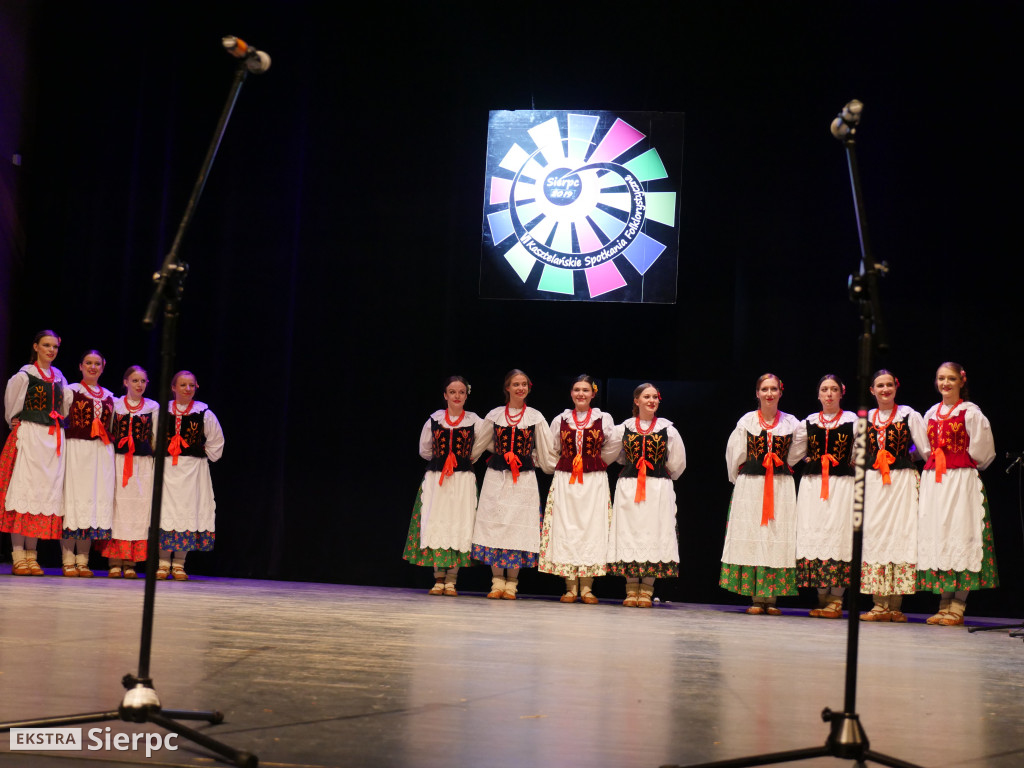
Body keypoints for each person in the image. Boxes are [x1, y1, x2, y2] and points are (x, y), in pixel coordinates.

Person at [917, 362, 997, 626]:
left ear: (961, 381)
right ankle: (943, 604)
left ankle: (958, 605)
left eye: (951, 378)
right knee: (940, 535)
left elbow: (983, 453)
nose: (945, 384)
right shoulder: (930, 414)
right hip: (936, 482)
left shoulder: (971, 413)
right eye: (941, 378)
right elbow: (924, 449)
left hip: (960, 481)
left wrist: (959, 461)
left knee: (961, 534)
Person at [720, 373, 807, 614]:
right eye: (764, 389)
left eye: (773, 389)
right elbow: (734, 454)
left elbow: (797, 451)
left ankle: (772, 598)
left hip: (780, 485)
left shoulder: (791, 423)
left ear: (781, 391)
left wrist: (781, 464)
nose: (769, 393)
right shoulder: (747, 421)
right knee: (754, 535)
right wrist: (741, 478)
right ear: (757, 393)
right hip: (752, 485)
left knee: (777, 535)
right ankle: (757, 598)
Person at [471, 369, 556, 600]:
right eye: (515, 384)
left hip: (523, 479)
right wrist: (501, 454)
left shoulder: (535, 417)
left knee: (517, 524)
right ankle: (497, 581)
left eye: (524, 384)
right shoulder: (496, 415)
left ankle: (512, 583)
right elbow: (481, 443)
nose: (520, 388)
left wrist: (529, 459)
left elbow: (546, 450)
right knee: (496, 523)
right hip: (497, 476)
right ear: (507, 388)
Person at [403, 376, 490, 596]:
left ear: (466, 395)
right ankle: (438, 578)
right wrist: (442, 460)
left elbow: (485, 444)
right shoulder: (434, 419)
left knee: (458, 522)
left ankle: (451, 579)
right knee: (437, 521)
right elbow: (424, 450)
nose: (457, 396)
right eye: (452, 392)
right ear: (445, 395)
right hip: (437, 478)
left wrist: (464, 458)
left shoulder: (475, 421)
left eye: (461, 392)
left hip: (462, 480)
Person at [539, 375, 619, 604]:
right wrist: (566, 463)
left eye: (585, 390)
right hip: (566, 480)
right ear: (571, 393)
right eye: (577, 389)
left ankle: (587, 587)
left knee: (591, 528)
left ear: (593, 393)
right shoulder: (561, 419)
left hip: (593, 480)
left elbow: (613, 446)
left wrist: (594, 461)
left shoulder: (603, 418)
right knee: (567, 527)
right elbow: (552, 448)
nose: (581, 394)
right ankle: (570, 586)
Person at [606, 383, 686, 607]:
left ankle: (647, 590)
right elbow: (614, 454)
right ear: (636, 400)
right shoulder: (624, 428)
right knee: (630, 532)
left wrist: (659, 472)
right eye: (646, 397)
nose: (651, 400)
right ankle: (631, 590)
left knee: (654, 532)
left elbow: (678, 462)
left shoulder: (667, 429)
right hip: (630, 486)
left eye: (655, 397)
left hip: (657, 487)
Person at [860, 369, 929, 622]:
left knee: (901, 534)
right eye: (880, 385)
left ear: (896, 387)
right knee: (876, 536)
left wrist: (909, 456)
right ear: (872, 390)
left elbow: (925, 449)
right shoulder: (866, 417)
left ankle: (896, 606)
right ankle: (879, 604)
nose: (885, 389)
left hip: (901, 481)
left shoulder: (908, 414)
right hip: (874, 482)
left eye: (889, 385)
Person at [1, 330, 71, 575]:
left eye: (54, 346)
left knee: (41, 495)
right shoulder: (25, 375)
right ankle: (18, 555)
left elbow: (63, 407)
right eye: (46, 345)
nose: (51, 350)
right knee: (23, 491)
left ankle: (32, 556)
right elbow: (13, 407)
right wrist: (16, 422)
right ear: (36, 347)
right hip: (30, 435)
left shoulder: (59, 376)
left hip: (50, 440)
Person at [795, 375, 857, 619]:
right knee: (816, 533)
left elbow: (862, 450)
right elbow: (794, 452)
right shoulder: (808, 422)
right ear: (818, 395)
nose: (829, 394)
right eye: (824, 390)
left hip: (842, 485)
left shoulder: (853, 420)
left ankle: (836, 599)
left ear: (842, 393)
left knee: (839, 535)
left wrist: (852, 462)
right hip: (813, 485)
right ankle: (822, 598)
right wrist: (807, 458)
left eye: (833, 389)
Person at [158, 370, 225, 581]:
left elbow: (216, 441)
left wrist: (201, 452)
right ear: (173, 387)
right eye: (183, 385)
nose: (187, 389)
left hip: (193, 470)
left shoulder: (203, 412)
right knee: (165, 510)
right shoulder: (162, 411)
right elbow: (152, 437)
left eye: (191, 385)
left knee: (187, 511)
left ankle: (178, 564)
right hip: (167, 468)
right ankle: (162, 562)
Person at [97, 365, 158, 578]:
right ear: (125, 382)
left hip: (141, 465)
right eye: (135, 380)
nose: (139, 385)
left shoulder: (152, 407)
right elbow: (106, 429)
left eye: (143, 381)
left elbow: (156, 437)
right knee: (117, 507)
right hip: (117, 461)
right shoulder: (114, 404)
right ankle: (114, 560)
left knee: (137, 509)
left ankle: (130, 561)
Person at [61, 350, 116, 577]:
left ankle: (83, 560)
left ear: (103, 367)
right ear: (80, 366)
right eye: (88, 363)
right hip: (77, 450)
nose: (93, 367)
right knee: (74, 500)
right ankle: (67, 559)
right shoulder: (71, 390)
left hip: (100, 453)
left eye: (97, 364)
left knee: (93, 501)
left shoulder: (111, 396)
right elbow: (59, 417)